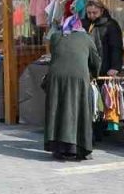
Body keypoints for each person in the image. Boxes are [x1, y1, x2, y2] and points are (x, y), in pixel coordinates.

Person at [44, 15, 102, 161]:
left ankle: (58, 148)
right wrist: (94, 74)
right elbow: (95, 60)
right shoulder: (86, 38)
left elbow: (56, 55)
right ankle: (81, 149)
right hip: (79, 78)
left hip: (56, 77)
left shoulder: (56, 37)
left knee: (57, 110)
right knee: (80, 111)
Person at [85, 0, 124, 77]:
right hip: (88, 68)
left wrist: (115, 67)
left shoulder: (111, 25)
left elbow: (116, 47)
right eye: (89, 13)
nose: (91, 15)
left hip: (106, 66)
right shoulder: (85, 23)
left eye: (95, 13)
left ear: (102, 11)